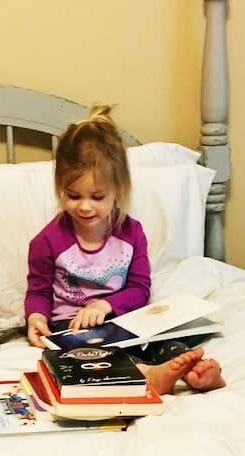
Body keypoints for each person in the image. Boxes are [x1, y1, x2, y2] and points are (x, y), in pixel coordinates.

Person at [24, 104, 225, 395]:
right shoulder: (47, 241)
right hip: (74, 329)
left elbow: (139, 288)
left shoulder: (131, 234)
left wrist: (105, 305)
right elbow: (38, 291)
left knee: (164, 343)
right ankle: (149, 376)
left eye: (97, 196)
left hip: (125, 319)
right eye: (73, 195)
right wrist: (37, 318)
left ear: (119, 189)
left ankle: (198, 373)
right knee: (86, 358)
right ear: (59, 189)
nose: (84, 206)